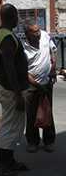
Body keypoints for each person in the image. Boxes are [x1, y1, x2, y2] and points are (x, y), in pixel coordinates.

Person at [0, 3, 30, 176]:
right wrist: (17, 93)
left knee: (14, 127)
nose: (18, 19)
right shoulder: (6, 36)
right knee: (8, 127)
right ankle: (1, 166)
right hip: (10, 90)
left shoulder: (5, 34)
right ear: (10, 18)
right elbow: (9, 66)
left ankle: (9, 161)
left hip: (11, 88)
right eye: (16, 16)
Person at [23, 19, 57, 153]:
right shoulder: (23, 48)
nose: (38, 33)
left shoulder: (44, 36)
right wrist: (37, 86)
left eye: (38, 30)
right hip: (32, 88)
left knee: (47, 111)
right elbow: (24, 72)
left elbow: (52, 50)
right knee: (31, 115)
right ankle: (33, 142)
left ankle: (49, 141)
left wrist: (53, 69)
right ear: (27, 34)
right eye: (34, 32)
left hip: (47, 83)